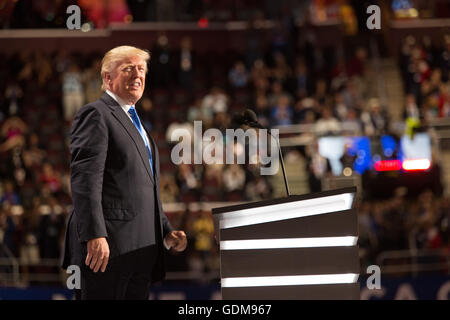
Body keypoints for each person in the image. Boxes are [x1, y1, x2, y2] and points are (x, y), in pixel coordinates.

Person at [61, 46, 187, 300]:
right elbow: (86, 180)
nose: (137, 74)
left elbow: (143, 188)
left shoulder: (138, 123)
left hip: (140, 250)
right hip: (106, 250)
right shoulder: (95, 114)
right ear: (108, 78)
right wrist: (95, 234)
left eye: (141, 69)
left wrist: (164, 230)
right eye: (128, 69)